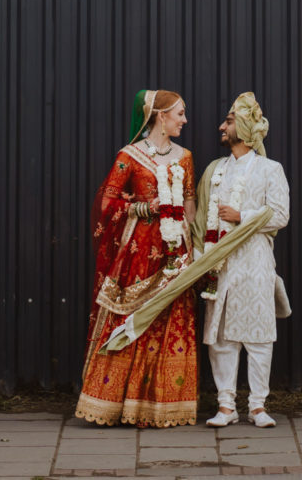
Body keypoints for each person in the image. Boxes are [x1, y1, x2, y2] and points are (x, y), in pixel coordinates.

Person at [74, 90, 200, 427]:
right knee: (133, 319)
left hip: (174, 254)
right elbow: (105, 203)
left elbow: (190, 206)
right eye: (180, 114)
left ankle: (161, 406)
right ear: (161, 116)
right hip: (138, 253)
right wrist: (142, 208)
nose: (185, 121)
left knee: (169, 320)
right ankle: (114, 403)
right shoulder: (129, 156)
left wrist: (194, 250)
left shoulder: (185, 157)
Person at [194, 92, 290, 428]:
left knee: (259, 334)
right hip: (219, 264)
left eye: (229, 121)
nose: (222, 126)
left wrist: (242, 215)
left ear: (246, 127)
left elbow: (280, 215)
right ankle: (225, 406)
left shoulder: (270, 169)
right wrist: (198, 261)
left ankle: (258, 406)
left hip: (255, 262)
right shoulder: (215, 170)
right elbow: (200, 219)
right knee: (222, 336)